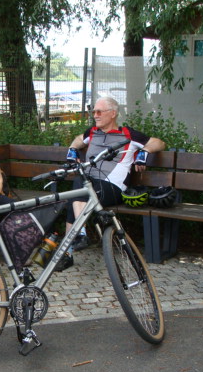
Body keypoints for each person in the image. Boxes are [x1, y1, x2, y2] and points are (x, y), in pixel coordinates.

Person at [62, 96, 166, 268]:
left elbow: (159, 143)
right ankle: (74, 242)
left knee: (78, 191)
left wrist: (143, 153)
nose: (95, 115)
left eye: (99, 111)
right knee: (78, 190)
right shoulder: (93, 132)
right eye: (93, 111)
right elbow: (79, 138)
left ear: (113, 114)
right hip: (89, 185)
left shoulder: (128, 134)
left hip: (113, 187)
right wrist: (73, 149)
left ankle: (72, 245)